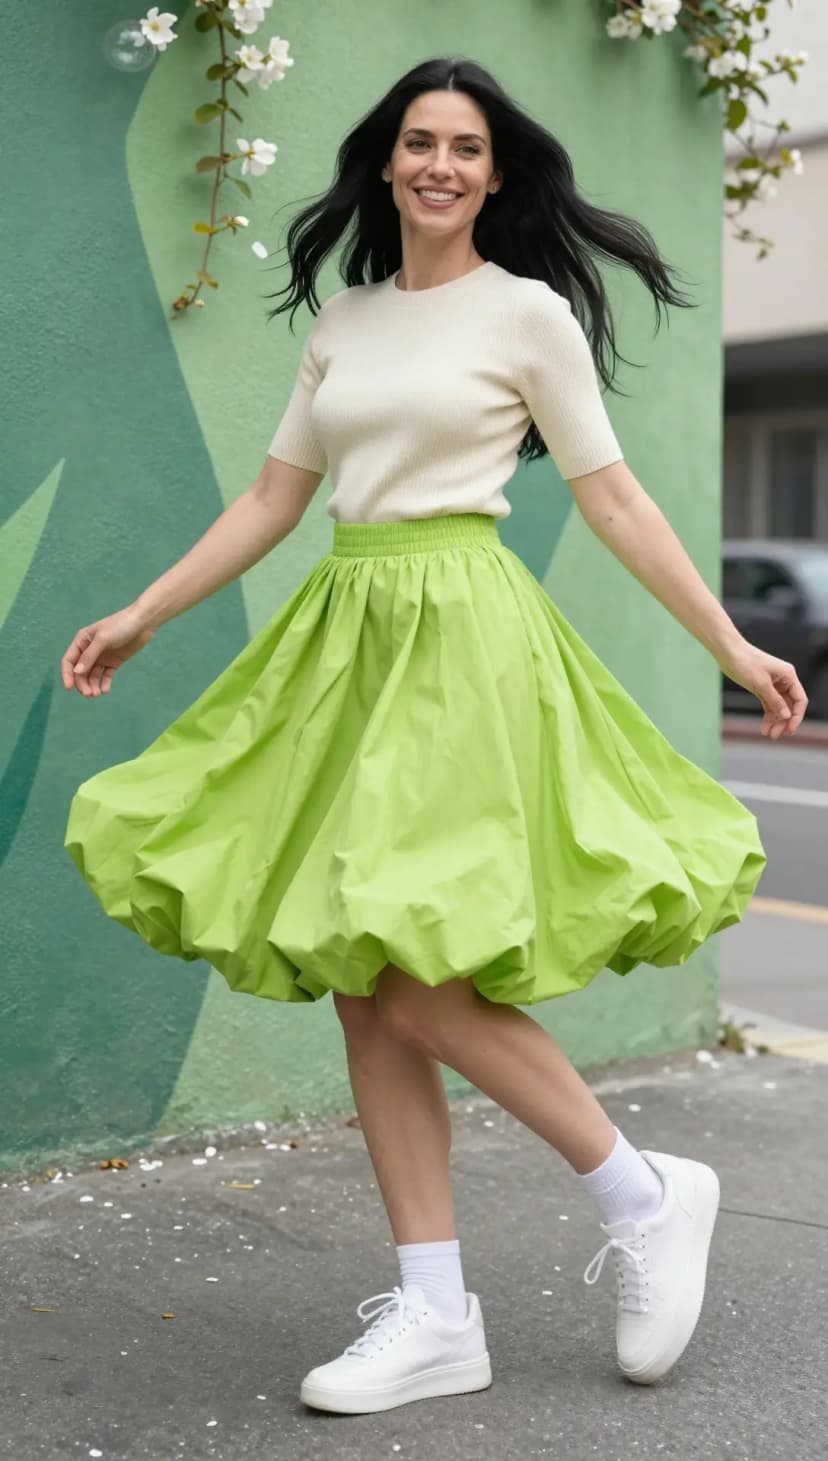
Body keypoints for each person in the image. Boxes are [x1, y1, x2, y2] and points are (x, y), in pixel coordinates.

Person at [61, 57, 807, 1415]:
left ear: (497, 172)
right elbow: (275, 499)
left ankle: (641, 1193)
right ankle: (434, 1305)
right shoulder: (343, 321)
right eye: (419, 141)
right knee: (365, 969)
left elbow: (621, 497)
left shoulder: (528, 316)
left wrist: (730, 642)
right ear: (387, 162)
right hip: (349, 632)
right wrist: (145, 611)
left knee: (412, 970)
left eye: (466, 145)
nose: (441, 164)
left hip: (464, 637)